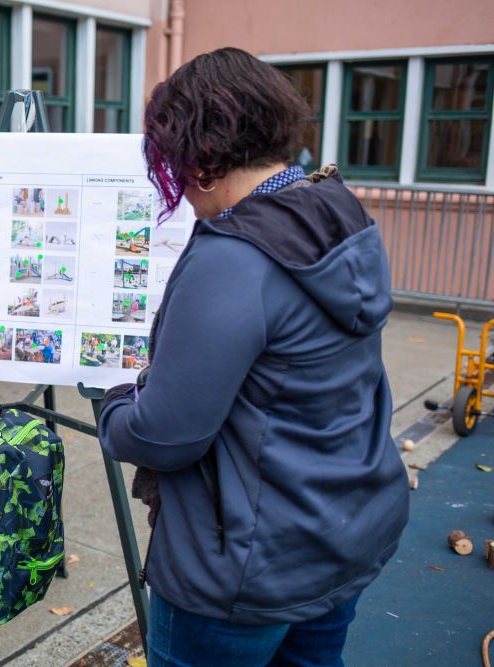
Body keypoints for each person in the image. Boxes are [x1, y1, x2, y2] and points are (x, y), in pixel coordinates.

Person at [98, 48, 409, 666]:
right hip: (343, 527)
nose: (180, 190)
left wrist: (114, 403)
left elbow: (166, 434)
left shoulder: (232, 258)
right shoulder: (332, 210)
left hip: (248, 564)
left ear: (203, 160)